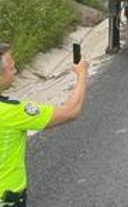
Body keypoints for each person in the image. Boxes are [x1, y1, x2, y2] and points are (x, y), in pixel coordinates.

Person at [0, 42, 89, 206]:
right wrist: (82, 74)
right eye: (11, 67)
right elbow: (70, 111)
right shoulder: (11, 112)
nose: (15, 70)